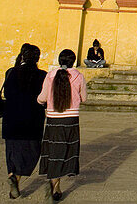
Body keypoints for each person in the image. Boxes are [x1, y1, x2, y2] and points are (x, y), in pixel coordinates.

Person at [38, 49, 86, 202]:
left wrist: (40, 101)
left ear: (60, 60)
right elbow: (83, 98)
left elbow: (42, 97)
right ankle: (55, 185)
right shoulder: (79, 76)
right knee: (65, 151)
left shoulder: (50, 75)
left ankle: (54, 183)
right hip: (71, 119)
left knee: (54, 151)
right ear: (73, 60)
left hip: (53, 119)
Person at [1, 43, 47, 200]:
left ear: (22, 56)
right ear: (37, 58)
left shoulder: (11, 72)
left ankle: (11, 174)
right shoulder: (42, 75)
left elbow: (7, 93)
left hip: (11, 117)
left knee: (12, 151)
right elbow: (44, 98)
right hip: (33, 119)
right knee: (33, 151)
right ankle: (17, 177)